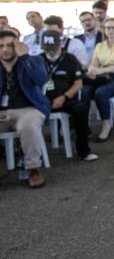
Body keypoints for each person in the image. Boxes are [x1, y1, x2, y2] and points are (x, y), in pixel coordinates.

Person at [0, 30, 50, 188]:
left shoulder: (32, 60)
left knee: (28, 125)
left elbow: (42, 79)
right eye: (1, 46)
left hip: (29, 109)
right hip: (3, 112)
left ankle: (33, 168)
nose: (6, 49)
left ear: (18, 45)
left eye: (10, 45)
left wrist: (24, 57)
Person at [40, 31, 97, 162]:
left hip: (66, 99)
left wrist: (64, 97)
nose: (50, 52)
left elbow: (78, 83)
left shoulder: (70, 59)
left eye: (53, 48)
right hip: (43, 100)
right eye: (47, 48)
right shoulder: (38, 60)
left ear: (60, 44)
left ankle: (84, 150)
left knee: (81, 108)